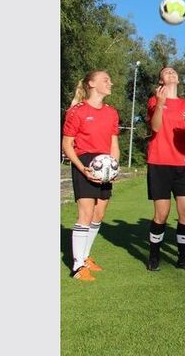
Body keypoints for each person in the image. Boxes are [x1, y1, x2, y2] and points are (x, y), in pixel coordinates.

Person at [62, 71, 120, 281]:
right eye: (106, 80)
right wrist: (82, 167)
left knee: (99, 214)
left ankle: (85, 257)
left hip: (105, 164)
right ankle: (77, 266)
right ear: (92, 84)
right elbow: (67, 144)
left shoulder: (112, 112)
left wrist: (114, 167)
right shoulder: (76, 111)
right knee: (86, 213)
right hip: (85, 162)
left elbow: (114, 144)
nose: (110, 82)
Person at [145, 66, 185, 272]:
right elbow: (155, 127)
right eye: (166, 72)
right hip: (159, 163)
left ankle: (182, 258)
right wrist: (160, 104)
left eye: (174, 72)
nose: (171, 73)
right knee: (162, 214)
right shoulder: (154, 100)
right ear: (161, 81)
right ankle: (154, 257)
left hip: (183, 165)